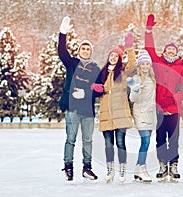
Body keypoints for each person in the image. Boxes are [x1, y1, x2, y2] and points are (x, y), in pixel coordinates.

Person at [144, 14, 183, 182]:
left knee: (174, 139)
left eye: (174, 50)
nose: (171, 51)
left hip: (174, 108)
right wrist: (148, 31)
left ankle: (174, 164)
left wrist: (174, 98)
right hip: (159, 109)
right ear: (164, 51)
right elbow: (149, 49)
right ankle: (163, 165)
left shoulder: (181, 67)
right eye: (168, 49)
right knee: (160, 138)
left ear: (177, 53)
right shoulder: (158, 62)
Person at [58, 16, 103, 181]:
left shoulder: (95, 69)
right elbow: (62, 52)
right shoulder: (72, 63)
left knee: (88, 141)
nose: (85, 51)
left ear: (91, 52)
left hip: (88, 110)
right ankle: (68, 167)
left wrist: (88, 92)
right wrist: (63, 34)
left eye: (88, 49)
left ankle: (87, 167)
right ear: (79, 51)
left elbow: (99, 89)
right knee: (70, 139)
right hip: (72, 108)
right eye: (83, 49)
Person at [92, 32, 135, 184]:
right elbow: (96, 88)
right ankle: (110, 170)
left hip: (120, 111)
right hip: (106, 112)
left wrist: (129, 48)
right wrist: (97, 88)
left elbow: (132, 65)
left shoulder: (123, 71)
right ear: (108, 57)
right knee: (108, 144)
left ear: (119, 59)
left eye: (116, 56)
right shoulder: (103, 72)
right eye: (112, 56)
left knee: (121, 143)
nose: (113, 58)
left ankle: (122, 170)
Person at [127, 50, 156, 183]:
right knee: (145, 141)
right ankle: (142, 168)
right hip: (140, 113)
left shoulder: (152, 79)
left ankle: (138, 169)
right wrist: (136, 90)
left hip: (150, 113)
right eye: (142, 64)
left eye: (147, 64)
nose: (145, 66)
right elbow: (132, 99)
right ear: (139, 66)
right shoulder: (136, 79)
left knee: (146, 142)